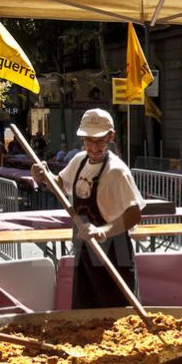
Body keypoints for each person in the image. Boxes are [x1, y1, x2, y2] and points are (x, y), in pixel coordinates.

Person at [31, 108, 146, 309]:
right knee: (84, 312)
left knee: (117, 314)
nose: (94, 146)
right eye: (89, 140)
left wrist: (103, 230)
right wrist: (45, 176)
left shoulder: (117, 172)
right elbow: (61, 184)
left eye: (100, 140)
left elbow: (134, 213)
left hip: (114, 252)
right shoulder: (79, 160)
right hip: (84, 250)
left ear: (111, 137)